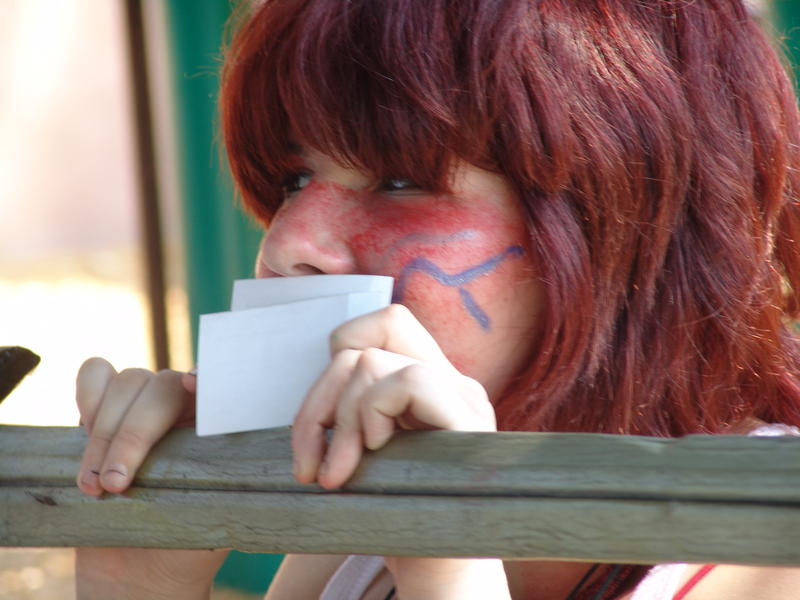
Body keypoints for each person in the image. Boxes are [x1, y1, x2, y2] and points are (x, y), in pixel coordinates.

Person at [73, 0, 800, 598]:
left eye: (400, 180)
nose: (287, 242)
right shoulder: (359, 526)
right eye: (294, 181)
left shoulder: (770, 541)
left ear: (627, 216)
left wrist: (448, 564)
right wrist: (138, 577)